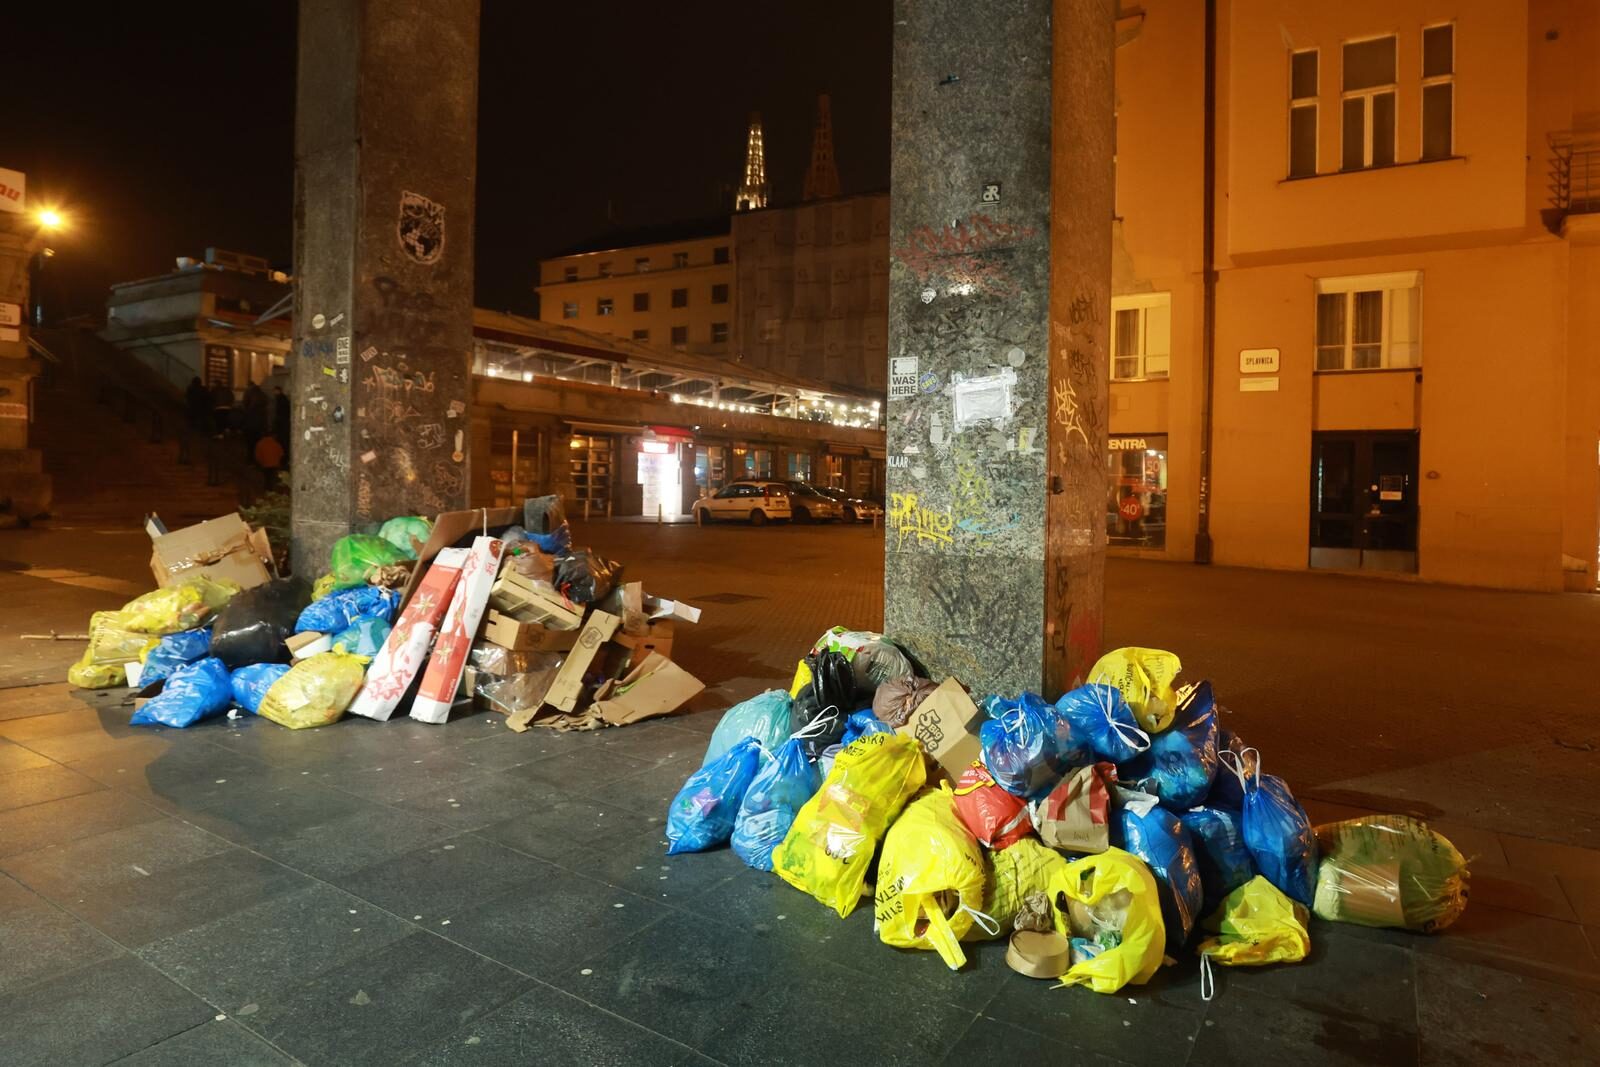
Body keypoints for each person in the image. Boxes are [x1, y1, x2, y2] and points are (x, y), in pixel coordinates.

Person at [240, 381, 269, 451]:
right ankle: (258, 456)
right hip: (260, 421)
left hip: (250, 421)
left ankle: (250, 456)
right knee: (258, 440)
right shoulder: (262, 394)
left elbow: (244, 404)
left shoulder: (248, 393)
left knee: (250, 441)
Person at [272, 386, 291, 465]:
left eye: (275, 391)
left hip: (282, 425)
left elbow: (279, 413)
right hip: (283, 425)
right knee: (283, 443)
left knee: (282, 444)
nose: (274, 393)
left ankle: (283, 460)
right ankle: (283, 460)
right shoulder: (283, 399)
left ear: (278, 391)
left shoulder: (280, 399)